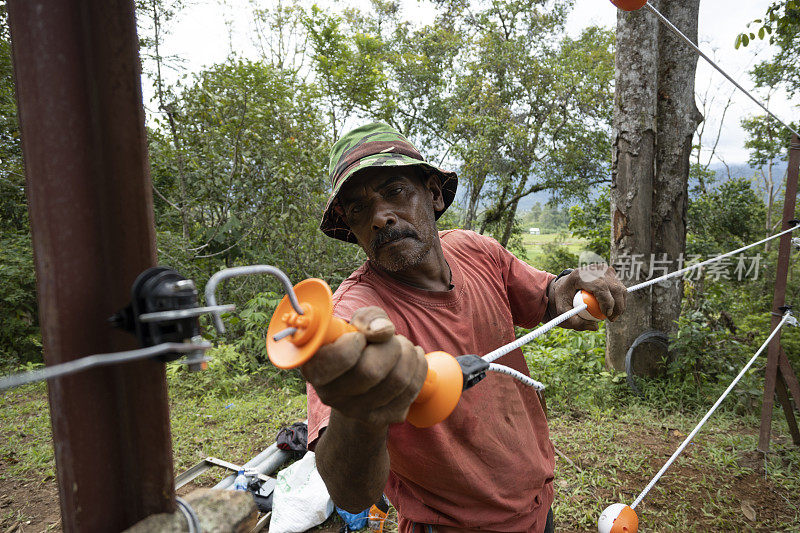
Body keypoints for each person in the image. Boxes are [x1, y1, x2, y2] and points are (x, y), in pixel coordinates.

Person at [302, 122, 627, 533]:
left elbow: (549, 297)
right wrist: (358, 409)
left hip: (537, 505)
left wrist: (573, 285)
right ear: (352, 229)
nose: (380, 217)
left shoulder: (476, 250)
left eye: (395, 190)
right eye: (358, 208)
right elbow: (350, 494)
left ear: (433, 194)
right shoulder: (350, 323)